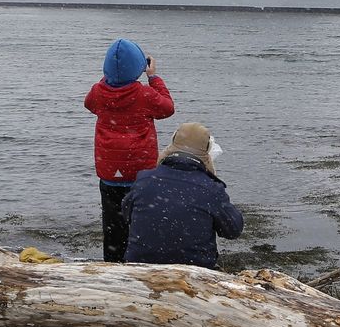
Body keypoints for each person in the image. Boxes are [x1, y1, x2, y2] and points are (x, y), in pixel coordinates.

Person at [84, 38, 175, 261]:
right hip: (140, 173)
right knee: (141, 223)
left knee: (113, 226)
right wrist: (153, 77)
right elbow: (168, 108)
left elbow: (89, 104)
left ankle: (112, 264)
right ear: (139, 67)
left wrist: (110, 78)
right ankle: (139, 265)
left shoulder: (98, 92)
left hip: (109, 175)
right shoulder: (144, 94)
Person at [123, 122, 243, 269]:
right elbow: (233, 230)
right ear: (207, 153)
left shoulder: (144, 179)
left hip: (140, 265)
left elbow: (126, 214)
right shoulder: (211, 189)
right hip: (195, 269)